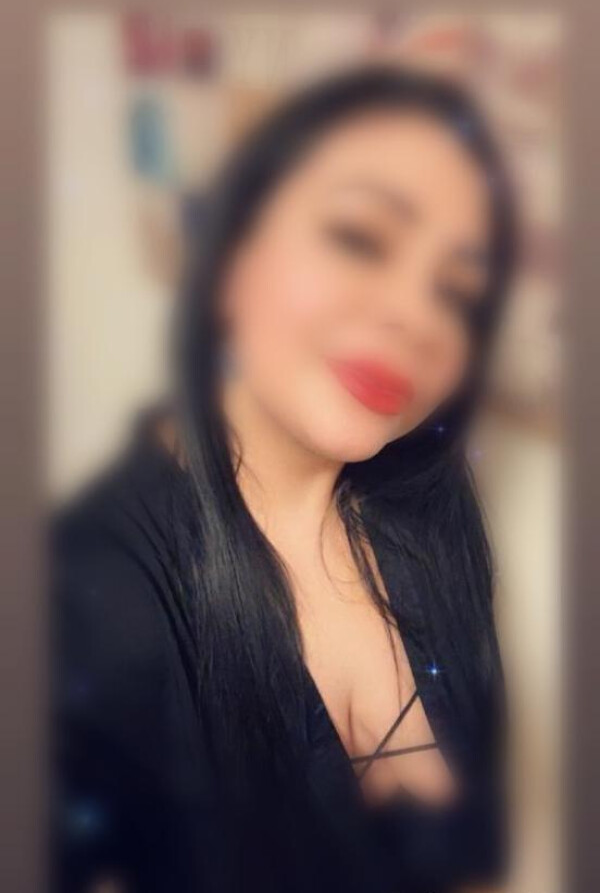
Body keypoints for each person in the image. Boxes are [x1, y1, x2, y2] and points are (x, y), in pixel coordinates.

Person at [52, 65, 517, 893]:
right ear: (233, 251)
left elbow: (472, 854)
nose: (414, 316)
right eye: (360, 237)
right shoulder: (81, 597)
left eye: (458, 293)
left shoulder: (440, 516)